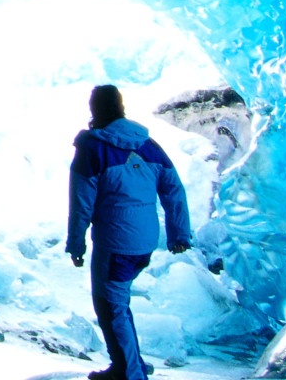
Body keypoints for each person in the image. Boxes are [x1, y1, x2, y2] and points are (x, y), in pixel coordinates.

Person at [66, 84, 192, 380]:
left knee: (110, 306)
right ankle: (128, 364)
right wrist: (179, 234)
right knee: (119, 304)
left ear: (94, 109)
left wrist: (76, 244)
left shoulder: (92, 148)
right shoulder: (149, 145)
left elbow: (81, 203)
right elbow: (174, 190)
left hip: (116, 242)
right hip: (145, 240)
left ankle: (128, 373)